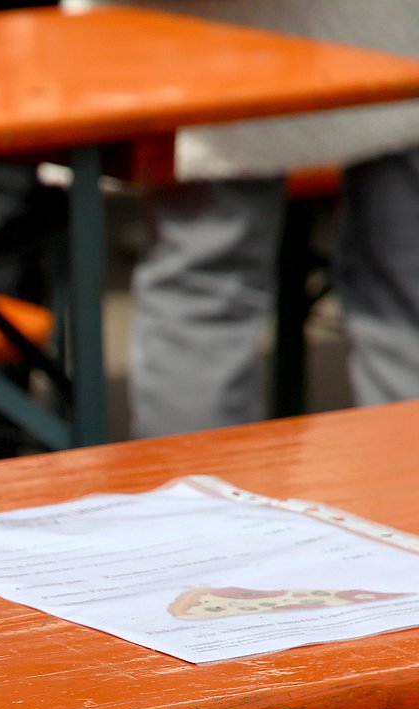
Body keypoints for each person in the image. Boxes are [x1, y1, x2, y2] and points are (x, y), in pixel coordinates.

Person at [70, 0, 419, 436]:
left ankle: (199, 480)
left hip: (209, 43)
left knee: (205, 290)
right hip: (347, 36)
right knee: (403, 286)